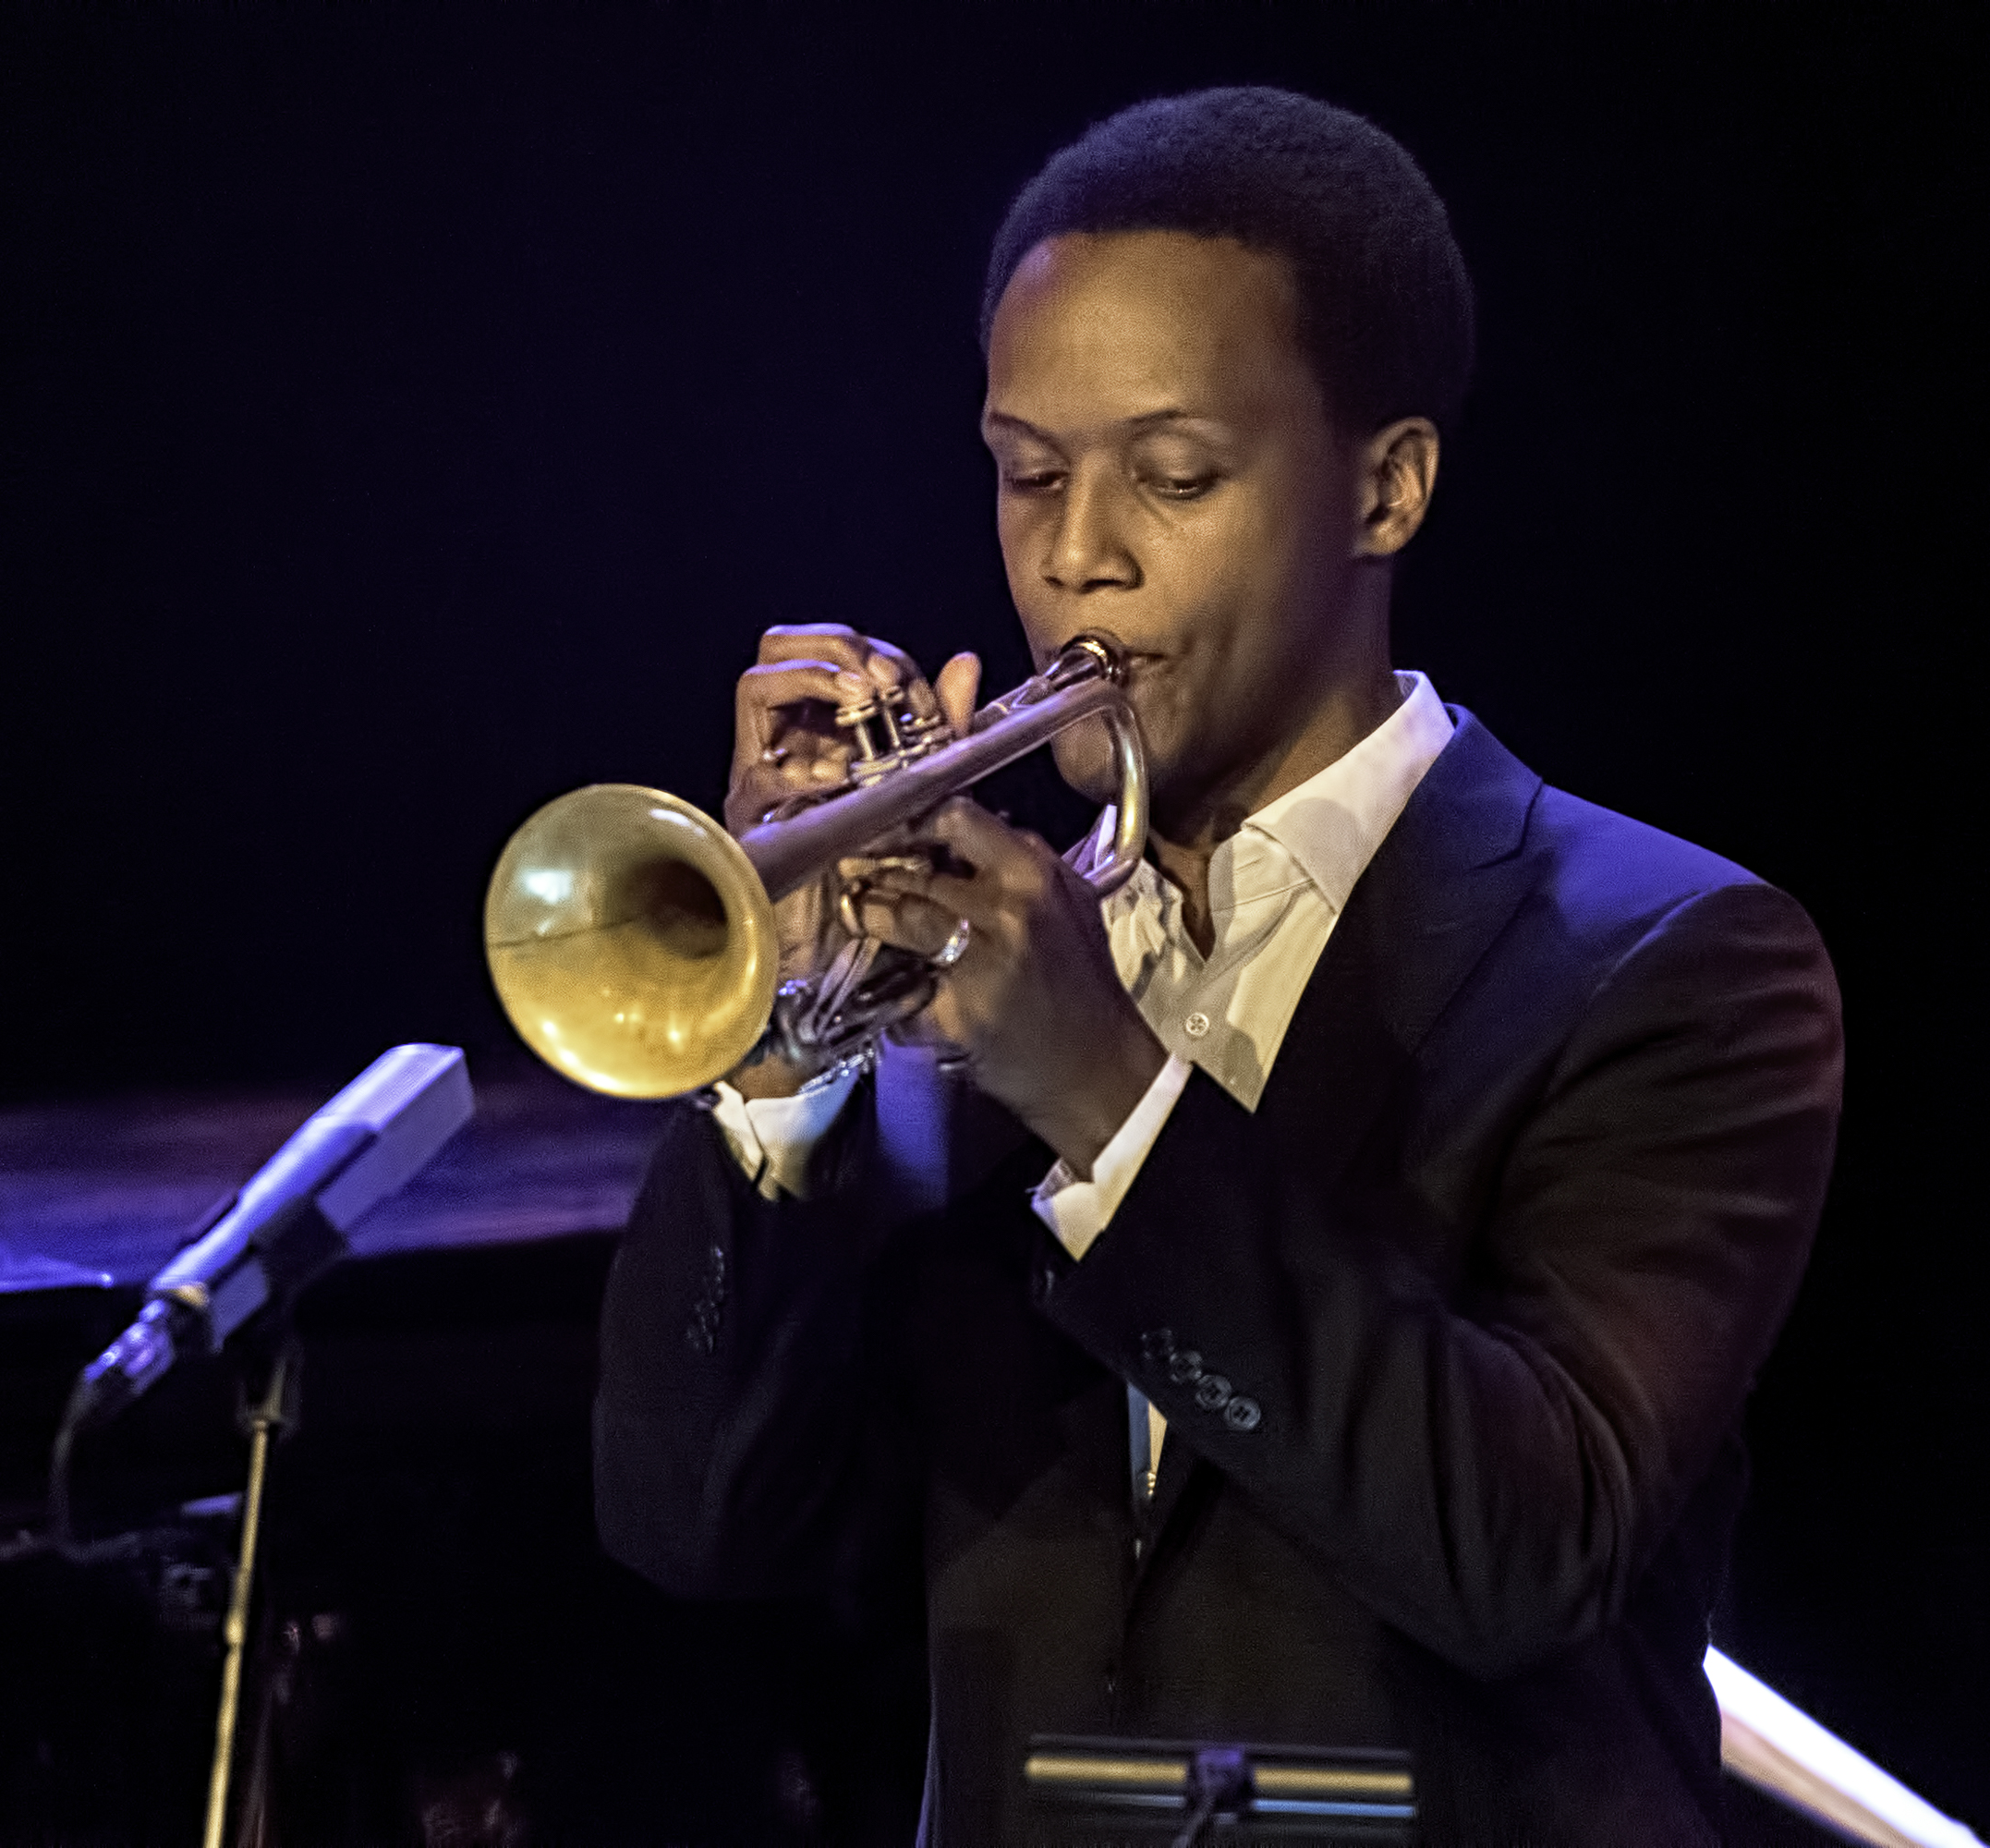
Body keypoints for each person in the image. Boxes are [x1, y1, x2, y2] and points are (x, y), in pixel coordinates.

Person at [592, 87, 1843, 1845]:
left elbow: (1518, 1551)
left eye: (1171, 476)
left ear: (1385, 487)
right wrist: (781, 1064)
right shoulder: (969, 967)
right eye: (1028, 471)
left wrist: (1106, 1094)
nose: (1074, 552)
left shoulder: (1671, 960)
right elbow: (695, 1527)